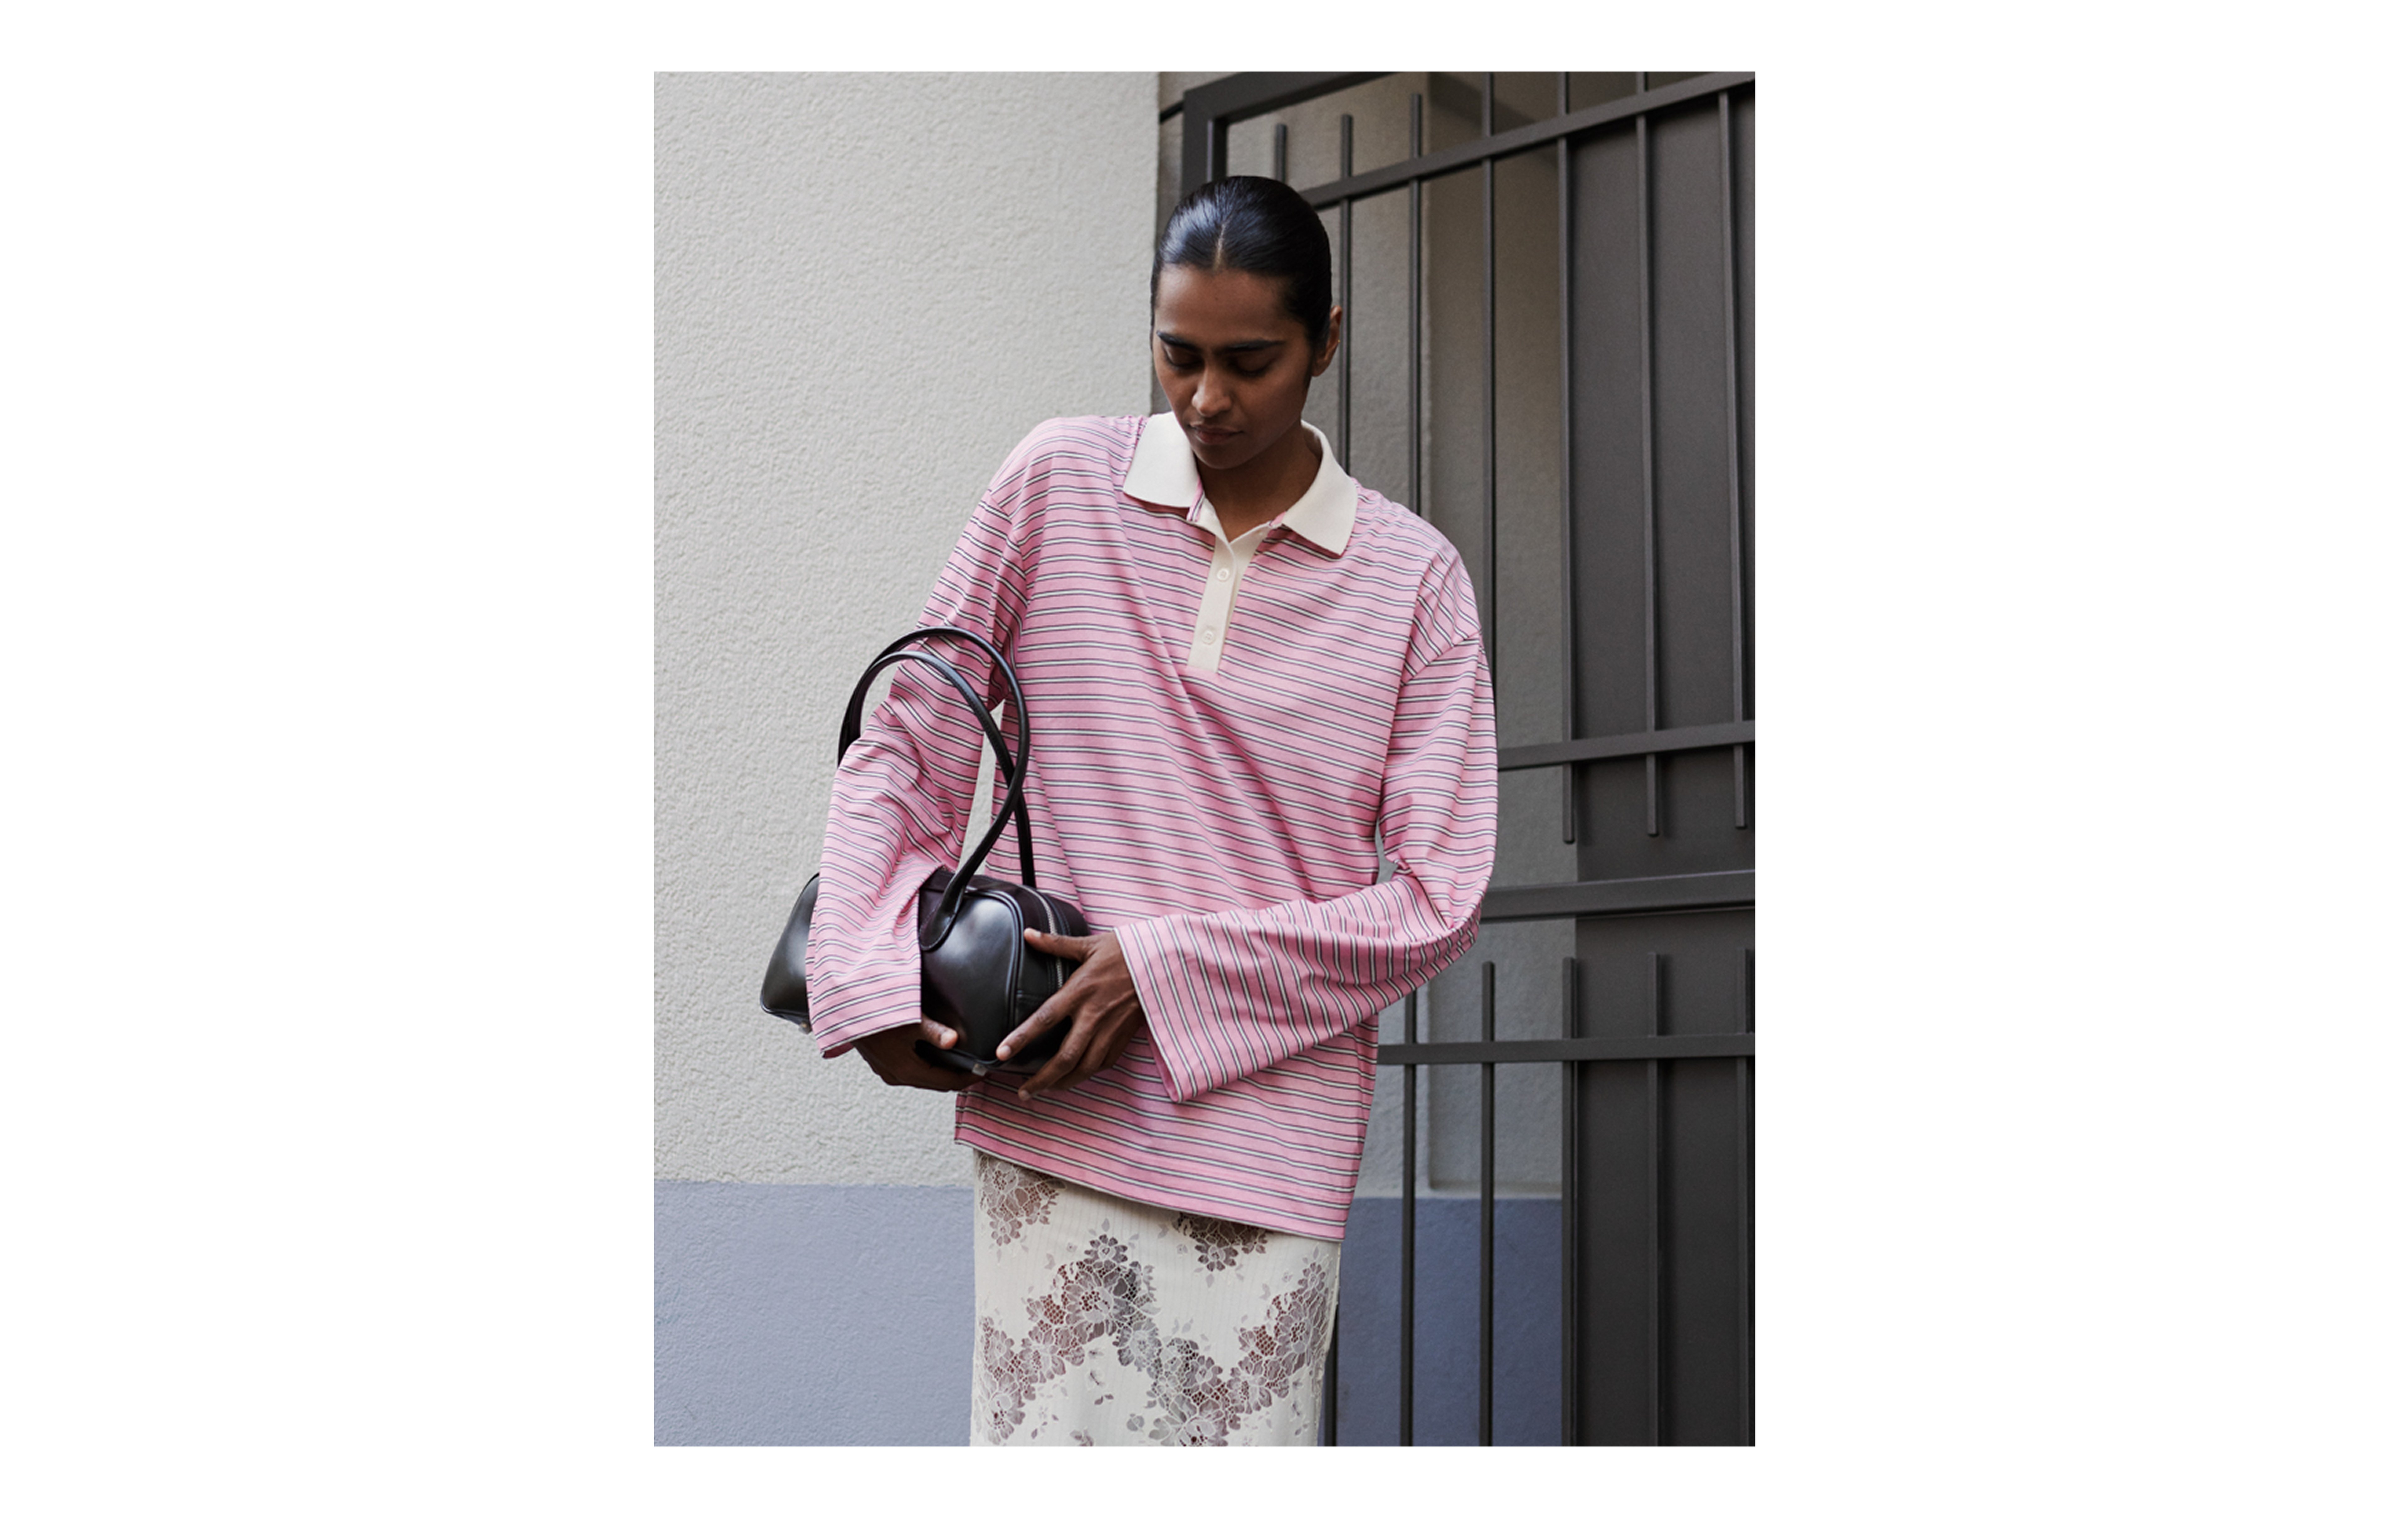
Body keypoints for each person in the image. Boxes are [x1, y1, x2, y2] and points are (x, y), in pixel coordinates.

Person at [802, 174, 1497, 1446]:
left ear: (1328, 341)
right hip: (1054, 1112)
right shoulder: (1056, 482)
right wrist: (870, 982)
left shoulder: (1416, 581)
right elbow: (916, 731)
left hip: (1270, 1150)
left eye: (1252, 361)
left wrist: (1163, 970)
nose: (1207, 400)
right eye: (1177, 356)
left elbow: (1439, 899)